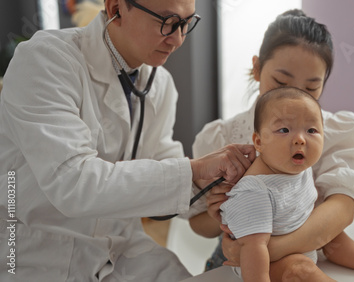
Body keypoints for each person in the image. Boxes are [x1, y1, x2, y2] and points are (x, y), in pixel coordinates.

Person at [0, 0, 255, 281]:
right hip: (33, 250)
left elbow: (162, 161)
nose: (178, 39)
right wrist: (195, 170)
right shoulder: (46, 61)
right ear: (116, 9)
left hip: (119, 248)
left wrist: (221, 188)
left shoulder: (159, 84)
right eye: (167, 22)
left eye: (186, 23)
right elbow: (73, 183)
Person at [188, 9, 354, 275]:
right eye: (280, 82)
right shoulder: (221, 137)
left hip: (306, 251)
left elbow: (342, 208)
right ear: (257, 68)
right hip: (236, 258)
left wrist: (265, 250)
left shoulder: (338, 134)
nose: (292, 96)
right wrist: (221, 215)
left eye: (310, 88)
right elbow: (197, 224)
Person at [220, 86, 333, 281]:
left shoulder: (299, 168)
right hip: (265, 264)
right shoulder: (255, 190)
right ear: (258, 141)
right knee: (301, 269)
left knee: (333, 232)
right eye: (284, 130)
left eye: (311, 130)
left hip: (299, 242)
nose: (300, 140)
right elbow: (254, 250)